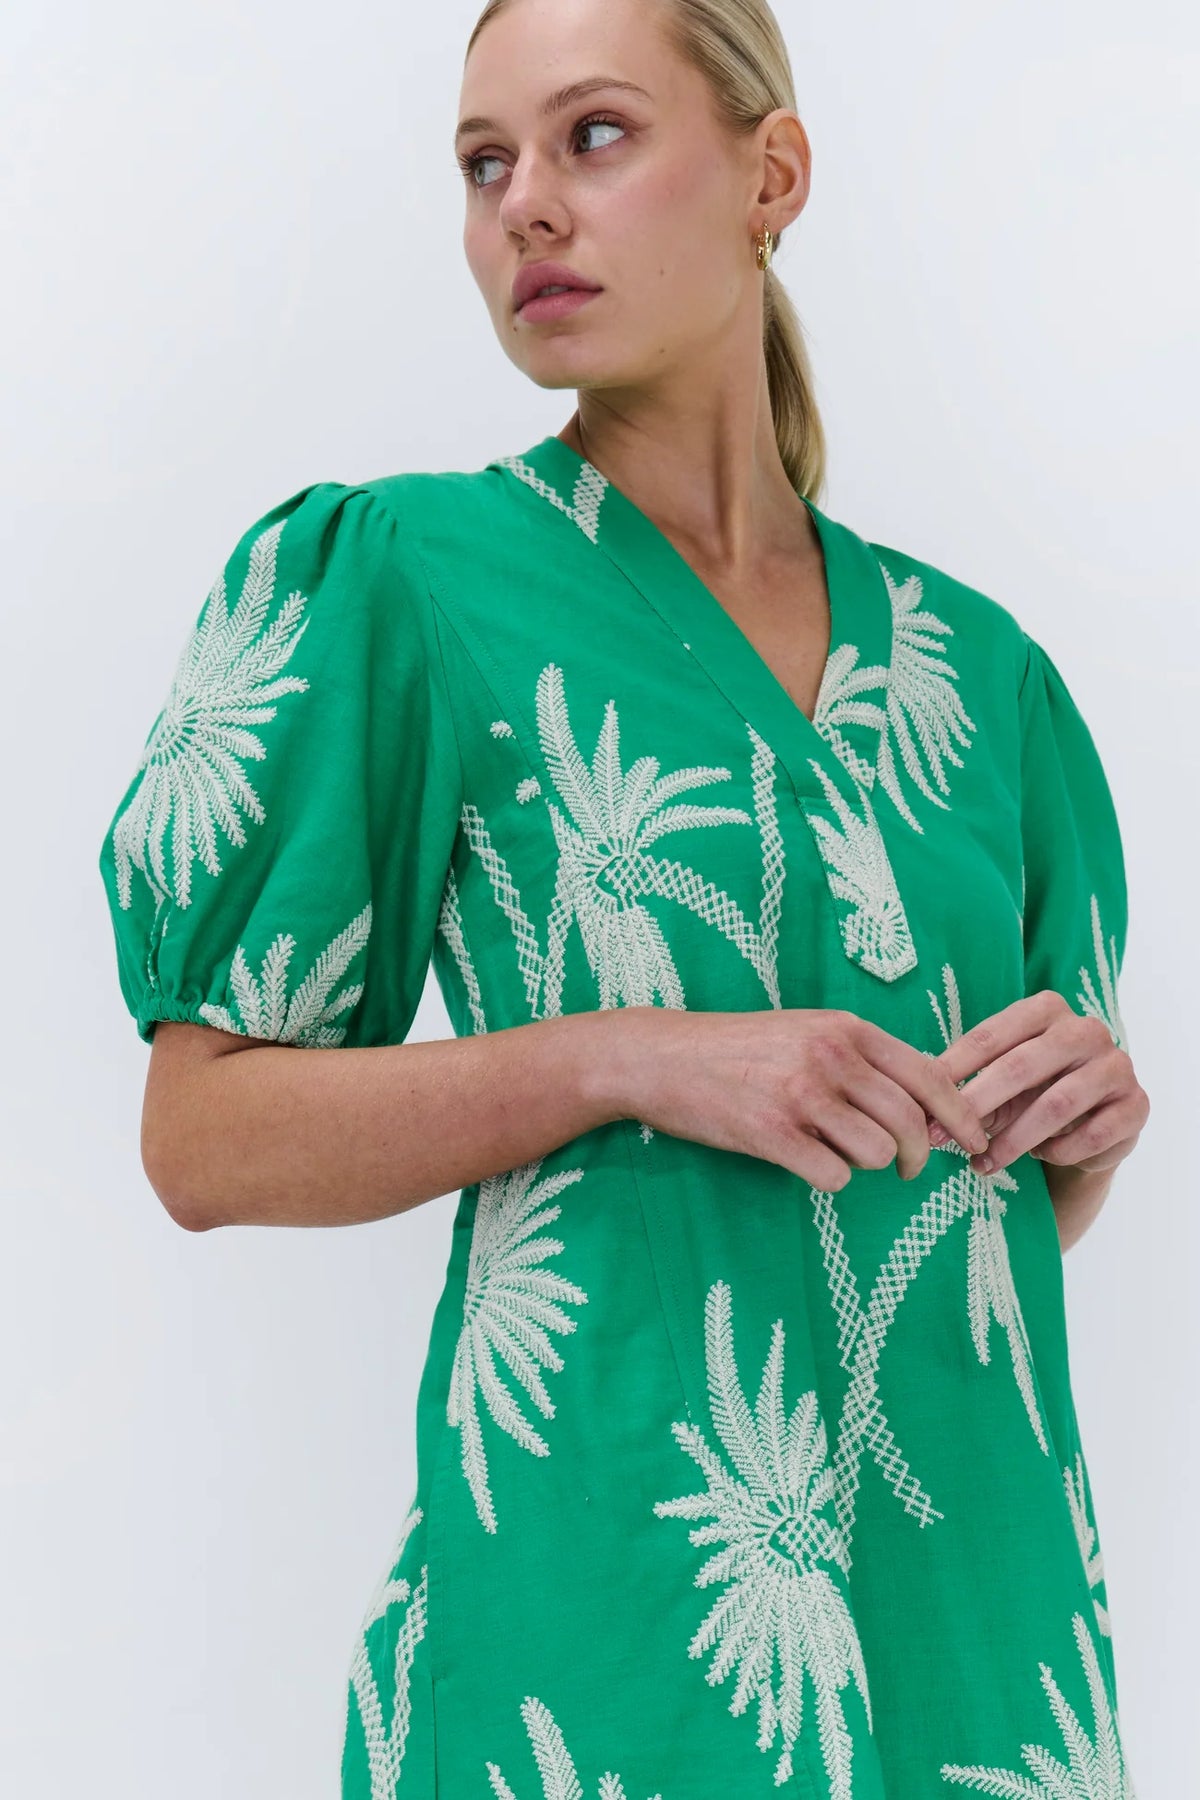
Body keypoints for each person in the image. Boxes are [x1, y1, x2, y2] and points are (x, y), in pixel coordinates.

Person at [96, 1, 1150, 1794]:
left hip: (976, 1630)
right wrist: (626, 1057)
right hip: (607, 1637)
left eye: (591, 135)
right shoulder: (409, 579)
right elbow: (201, 1140)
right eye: (482, 162)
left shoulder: (986, 684)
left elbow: (949, 1230)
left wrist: (1085, 1139)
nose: (523, 204)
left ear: (772, 173)